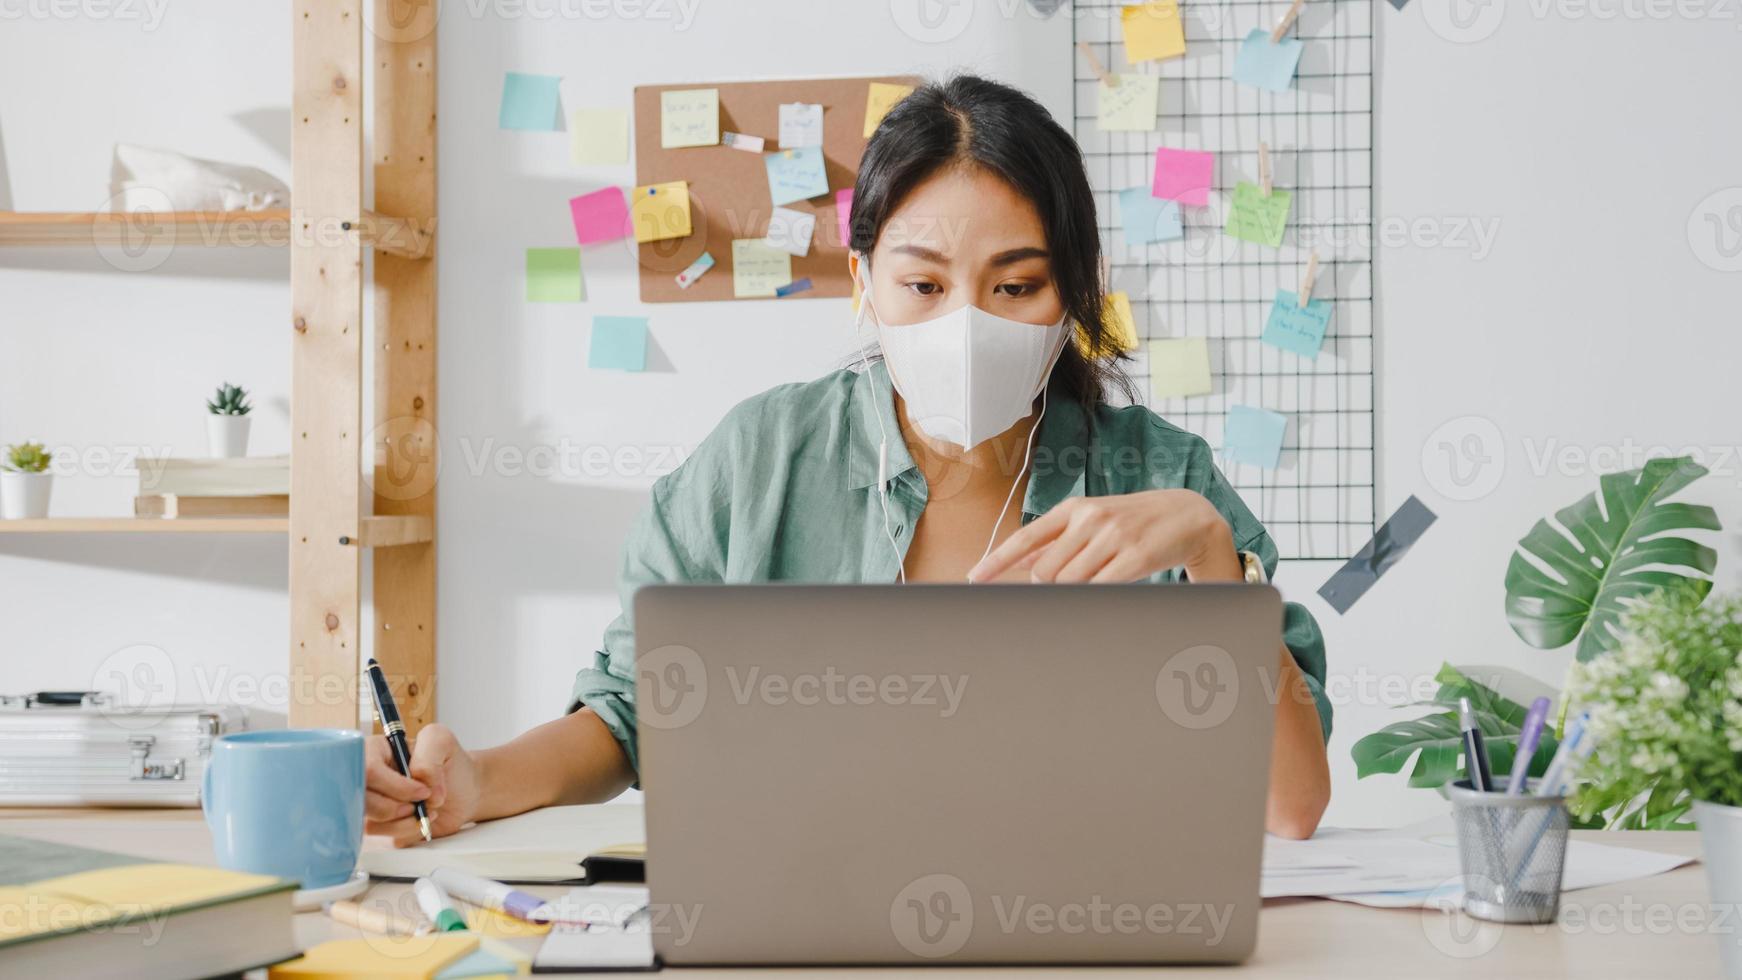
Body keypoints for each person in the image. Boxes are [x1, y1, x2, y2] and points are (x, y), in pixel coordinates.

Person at [365, 74, 1332, 843]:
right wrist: (478, 781)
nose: (966, 324)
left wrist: (1215, 564)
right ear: (862, 281)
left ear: (1073, 291)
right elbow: (631, 720)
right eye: (922, 282)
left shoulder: (1162, 479)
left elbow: (1288, 808)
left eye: (1018, 284)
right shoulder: (761, 461)